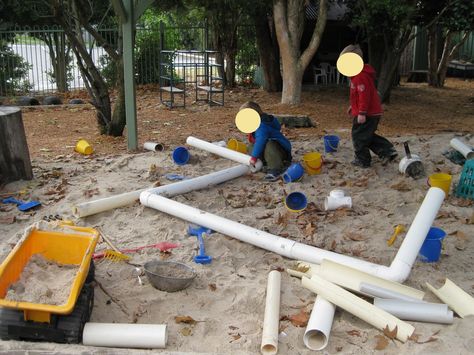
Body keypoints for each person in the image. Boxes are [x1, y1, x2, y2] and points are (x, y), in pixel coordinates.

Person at [340, 44, 398, 168]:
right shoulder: (357, 76)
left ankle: (363, 160)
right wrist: (353, 106)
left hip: (368, 114)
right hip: (369, 112)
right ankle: (387, 151)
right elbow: (359, 96)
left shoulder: (361, 76)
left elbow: (364, 96)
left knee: (359, 136)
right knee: (366, 135)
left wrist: (361, 112)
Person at [239, 101, 292, 181]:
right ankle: (264, 163)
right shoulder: (255, 124)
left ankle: (275, 169)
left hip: (281, 152)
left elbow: (260, 141)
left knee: (269, 145)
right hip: (271, 152)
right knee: (251, 146)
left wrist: (253, 158)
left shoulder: (262, 126)